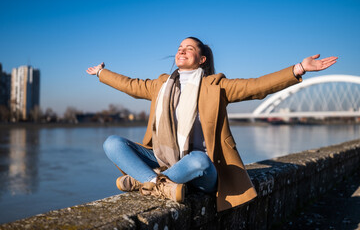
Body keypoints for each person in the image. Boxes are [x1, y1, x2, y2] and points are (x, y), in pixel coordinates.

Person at [86, 37, 337, 212]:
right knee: (113, 143)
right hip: (162, 160)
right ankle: (160, 185)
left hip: (201, 172)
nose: (182, 50)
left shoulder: (217, 86)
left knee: (199, 160)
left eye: (190, 48)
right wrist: (101, 73)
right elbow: (130, 84)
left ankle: (144, 182)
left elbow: (257, 86)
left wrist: (299, 68)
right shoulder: (160, 85)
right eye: (180, 47)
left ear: (202, 58)